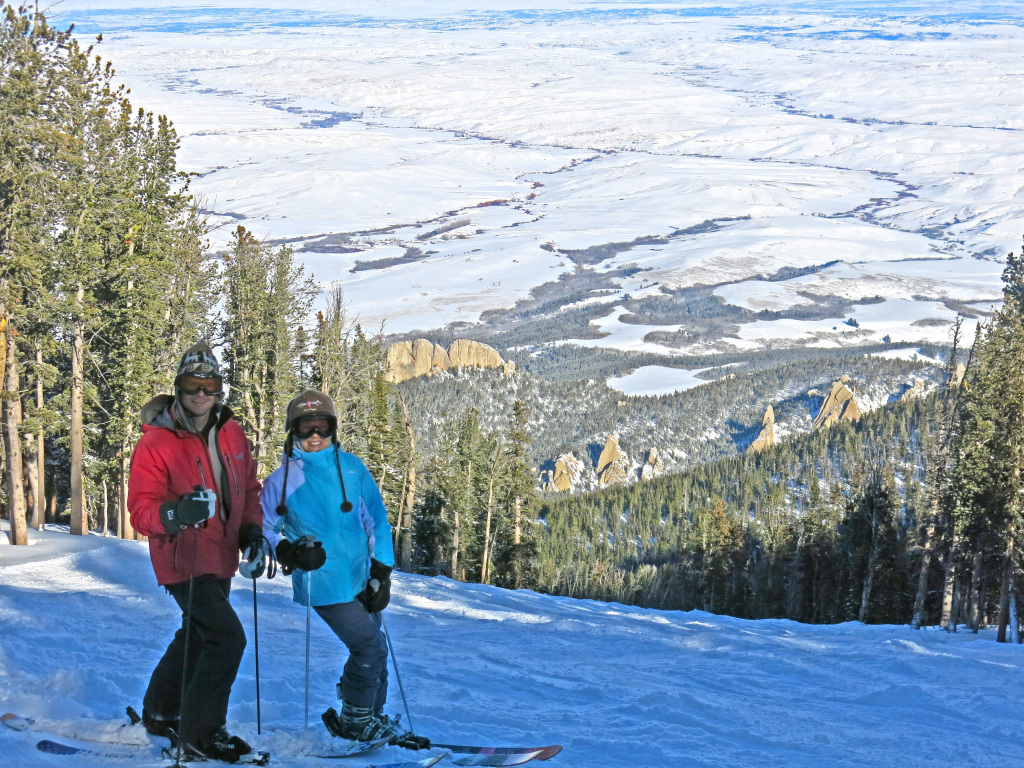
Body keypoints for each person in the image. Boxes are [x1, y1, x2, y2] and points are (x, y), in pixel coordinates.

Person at [260, 389, 425, 748]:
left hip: (359, 575)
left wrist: (381, 571)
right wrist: (288, 552)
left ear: (333, 428)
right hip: (321, 580)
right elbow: (265, 528)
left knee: (376, 645)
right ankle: (356, 720)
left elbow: (377, 519)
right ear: (293, 432)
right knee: (368, 647)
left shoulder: (352, 468)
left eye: (322, 426)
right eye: (306, 429)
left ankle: (371, 717)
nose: (315, 435)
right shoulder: (282, 479)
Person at [128, 342, 265, 763]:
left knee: (198, 634)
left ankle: (160, 711)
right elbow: (140, 511)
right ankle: (201, 734)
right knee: (226, 638)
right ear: (179, 388)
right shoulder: (156, 443)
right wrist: (175, 512)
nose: (201, 392)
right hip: (182, 558)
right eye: (192, 384)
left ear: (220, 389)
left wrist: (252, 533)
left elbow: (249, 490)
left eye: (210, 383)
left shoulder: (231, 431)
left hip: (221, 555)